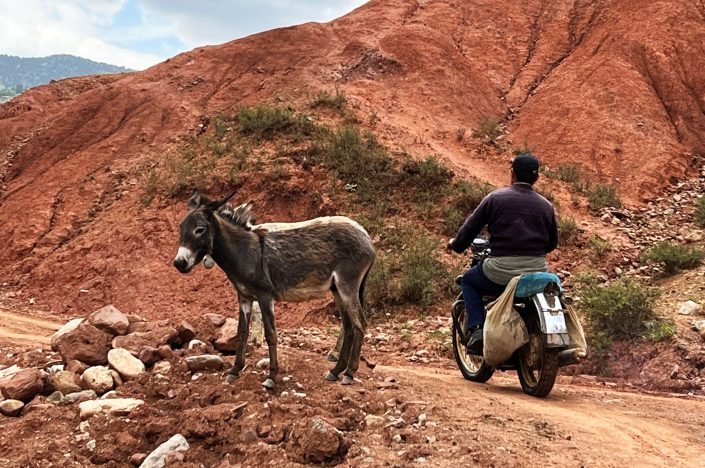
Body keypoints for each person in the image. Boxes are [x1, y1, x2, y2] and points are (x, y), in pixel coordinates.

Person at [446, 152, 558, 355]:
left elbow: (469, 230)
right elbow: (552, 244)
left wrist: (456, 245)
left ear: (513, 174)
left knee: (469, 280)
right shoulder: (546, 206)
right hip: (537, 272)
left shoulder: (495, 198)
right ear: (537, 178)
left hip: (500, 273)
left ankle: (477, 330)